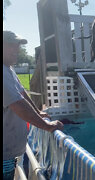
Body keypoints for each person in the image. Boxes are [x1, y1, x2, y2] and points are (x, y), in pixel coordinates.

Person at [3, 31, 64, 180]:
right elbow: (17, 104)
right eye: (11, 45)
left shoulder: (8, 69)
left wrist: (38, 112)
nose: (17, 50)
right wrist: (47, 126)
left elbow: (22, 93)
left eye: (18, 46)